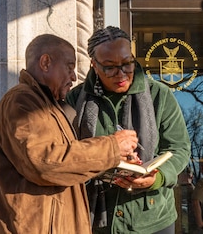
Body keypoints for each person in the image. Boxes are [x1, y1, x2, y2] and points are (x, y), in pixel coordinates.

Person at [0, 34, 138, 234]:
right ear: (45, 62)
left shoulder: (47, 104)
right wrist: (111, 147)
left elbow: (64, 163)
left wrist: (116, 164)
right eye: (69, 67)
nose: (74, 77)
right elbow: (45, 163)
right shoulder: (21, 101)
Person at [66, 26, 191, 234]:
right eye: (110, 67)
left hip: (152, 219)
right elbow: (67, 153)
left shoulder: (159, 95)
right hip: (94, 217)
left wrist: (157, 177)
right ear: (94, 65)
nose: (121, 73)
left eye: (127, 63)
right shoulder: (75, 99)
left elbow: (179, 148)